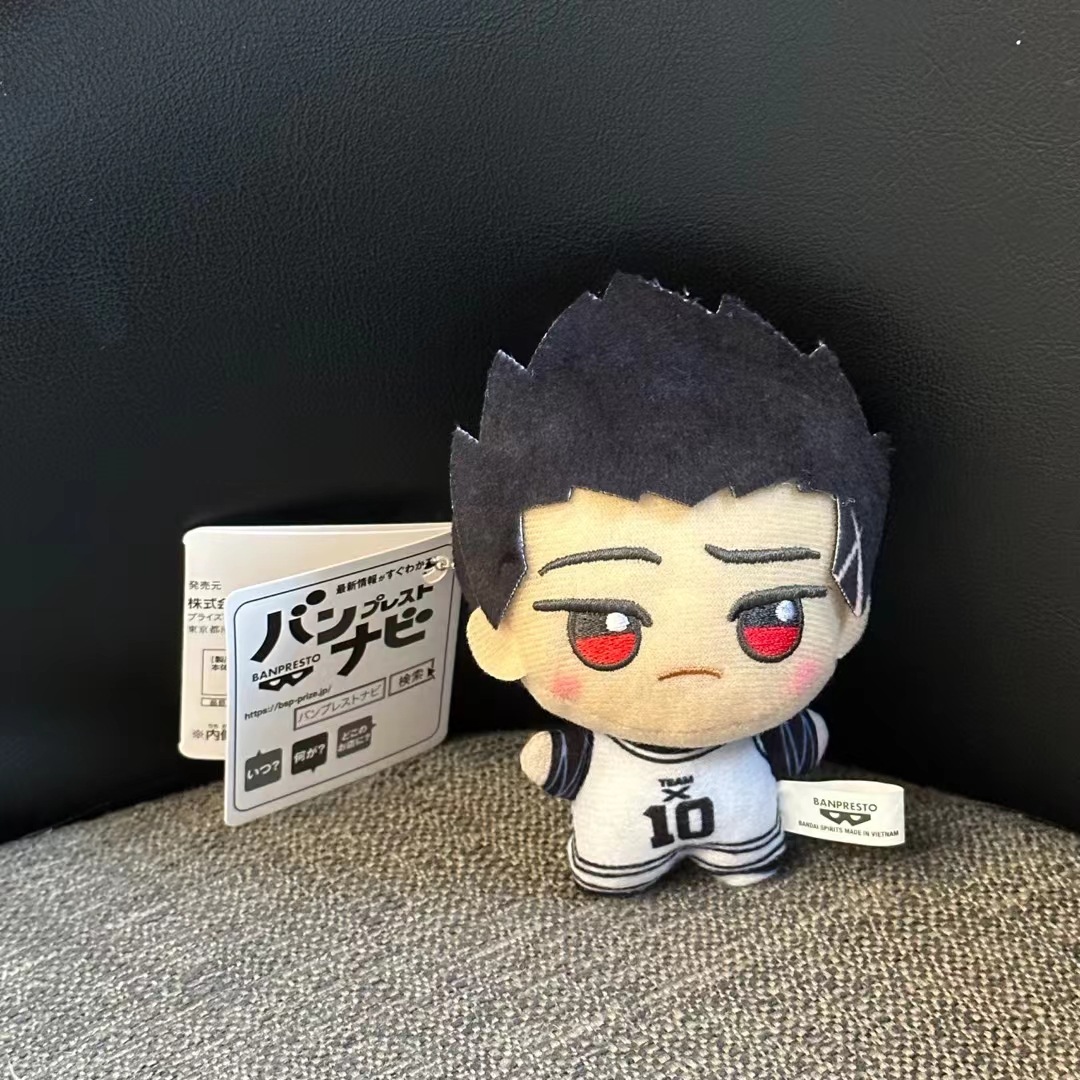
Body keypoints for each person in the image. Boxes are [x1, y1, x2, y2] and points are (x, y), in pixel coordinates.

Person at [450, 273, 889, 893]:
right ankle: (620, 872)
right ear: (499, 640)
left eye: (771, 621)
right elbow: (554, 764)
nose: (692, 665)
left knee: (748, 849)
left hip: (751, 836)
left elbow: (800, 743)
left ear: (850, 617)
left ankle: (741, 857)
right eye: (605, 631)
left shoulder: (772, 733)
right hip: (619, 846)